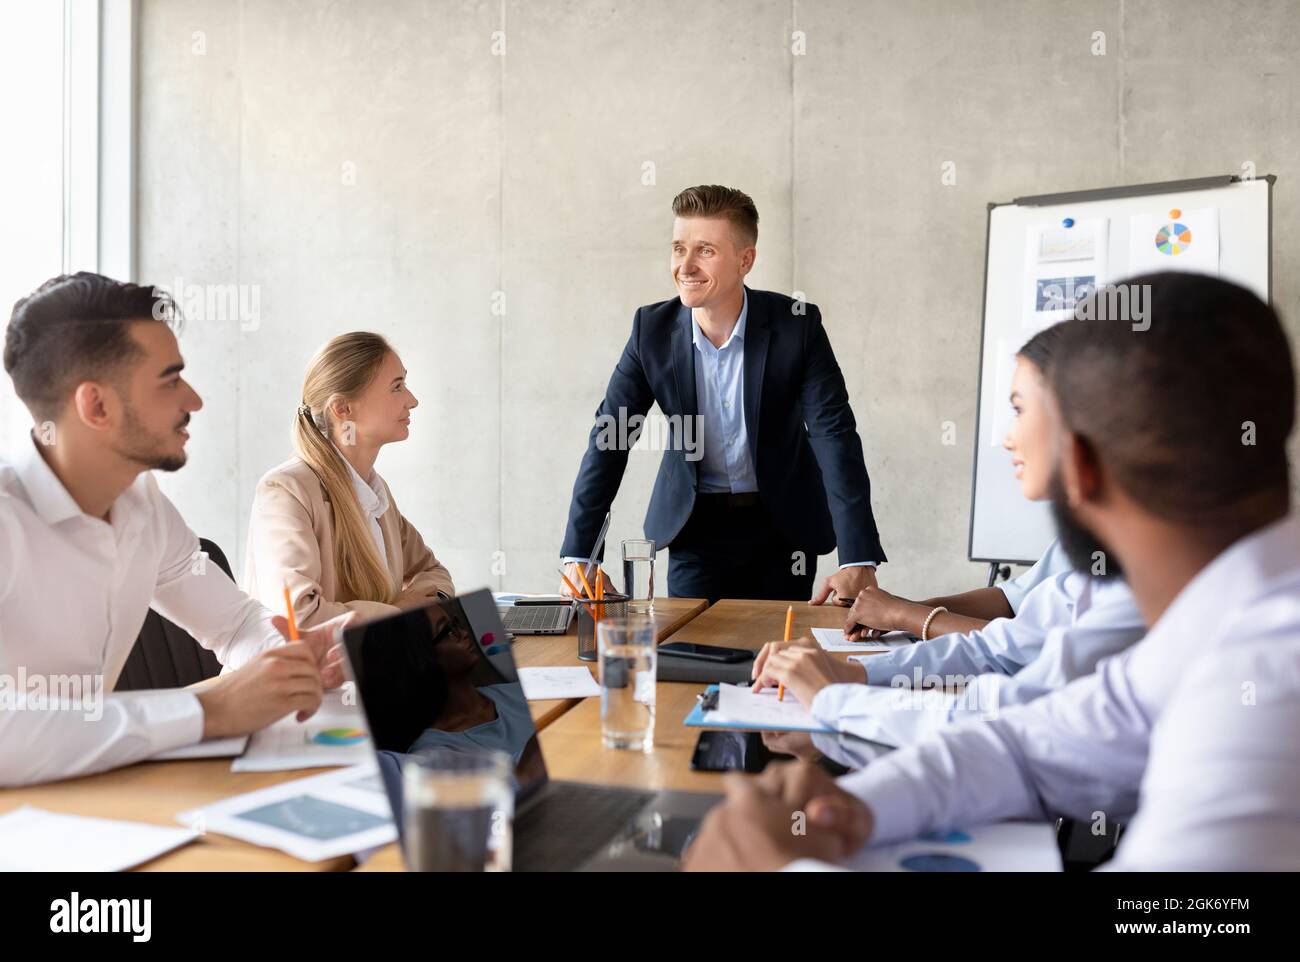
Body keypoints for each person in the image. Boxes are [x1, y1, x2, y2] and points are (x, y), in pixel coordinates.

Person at [685, 272, 1300, 871]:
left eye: (1019, 412)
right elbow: (1031, 747)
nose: (1009, 438)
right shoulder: (1213, 615)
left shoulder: (1266, 676)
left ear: (1077, 466)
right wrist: (854, 809)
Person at [0, 273, 345, 787]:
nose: (195, 400)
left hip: (85, 800)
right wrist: (206, 710)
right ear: (95, 406)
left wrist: (289, 660)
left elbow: (234, 624)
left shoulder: (145, 505)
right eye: (170, 379)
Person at [748, 323, 1145, 746]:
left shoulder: (1138, 583)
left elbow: (1013, 717)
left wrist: (839, 704)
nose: (1008, 439)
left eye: (1019, 410)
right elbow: (1000, 645)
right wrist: (856, 673)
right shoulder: (1088, 557)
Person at [559, 185, 886, 604]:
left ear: (745, 260)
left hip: (783, 528)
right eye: (679, 248)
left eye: (705, 251)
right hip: (696, 529)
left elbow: (834, 435)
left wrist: (857, 558)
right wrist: (579, 556)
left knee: (776, 659)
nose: (686, 266)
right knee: (690, 658)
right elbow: (610, 439)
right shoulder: (651, 332)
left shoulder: (796, 327)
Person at [243, 332, 454, 629]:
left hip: (375, 668)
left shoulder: (375, 492)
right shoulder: (286, 492)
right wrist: (397, 612)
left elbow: (430, 569)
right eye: (397, 387)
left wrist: (426, 605)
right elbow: (298, 618)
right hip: (308, 674)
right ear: (343, 409)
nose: (413, 400)